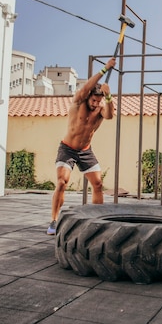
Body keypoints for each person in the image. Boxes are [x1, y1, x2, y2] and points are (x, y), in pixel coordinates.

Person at [47, 57, 117, 235]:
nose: (95, 104)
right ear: (88, 98)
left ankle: (97, 220)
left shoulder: (101, 109)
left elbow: (110, 115)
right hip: (67, 149)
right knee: (62, 182)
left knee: (98, 184)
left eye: (98, 101)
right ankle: (54, 220)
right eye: (93, 100)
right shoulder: (78, 102)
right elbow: (86, 88)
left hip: (86, 151)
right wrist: (105, 69)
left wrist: (108, 96)